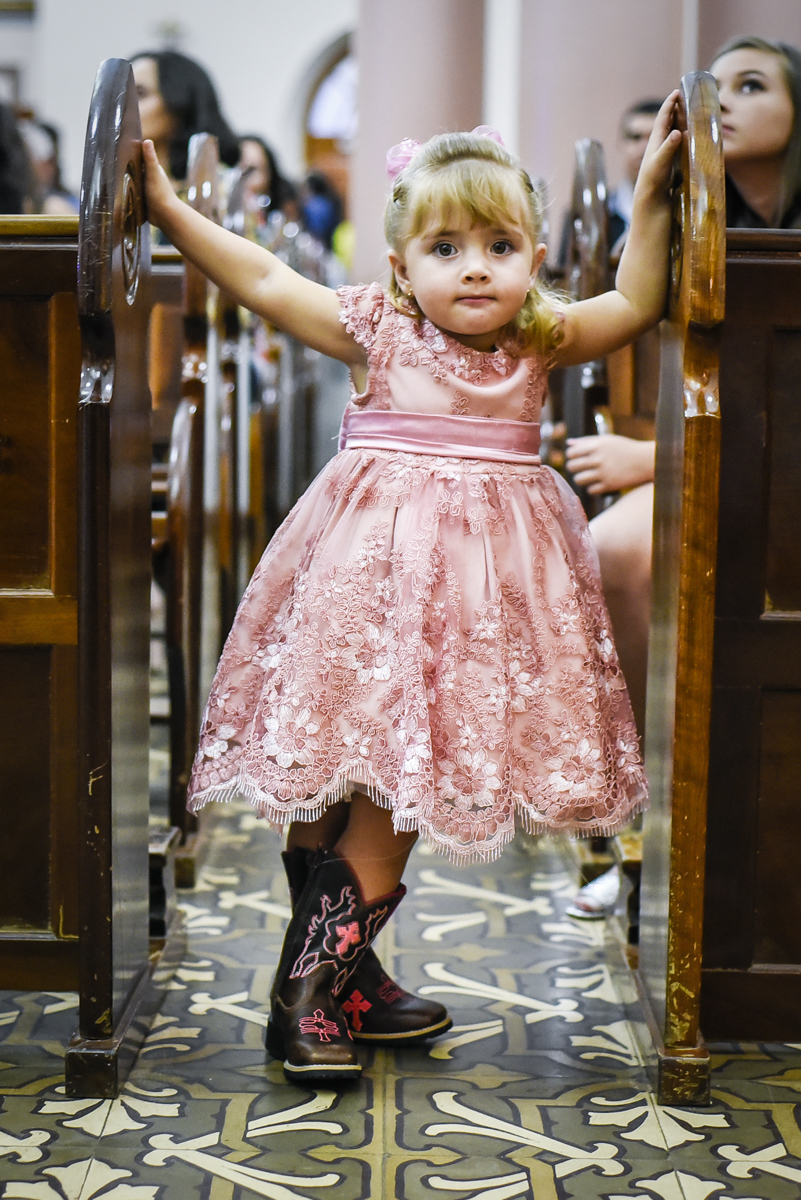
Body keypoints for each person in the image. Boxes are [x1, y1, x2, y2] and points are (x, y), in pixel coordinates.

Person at [142, 99, 680, 1084]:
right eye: (445, 246)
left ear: (533, 260)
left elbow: (639, 298)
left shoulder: (539, 334)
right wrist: (171, 209)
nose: (474, 266)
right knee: (367, 784)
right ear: (400, 265)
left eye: (500, 243)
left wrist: (650, 198)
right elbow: (262, 275)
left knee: (392, 783)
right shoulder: (377, 330)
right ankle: (309, 988)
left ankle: (346, 971)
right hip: (367, 594)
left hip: (474, 610)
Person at [565, 35, 801, 918]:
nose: (725, 101)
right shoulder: (696, 222)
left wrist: (649, 462)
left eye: (752, 85)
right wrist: (653, 190)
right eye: (714, 87)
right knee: (614, 546)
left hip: (773, 471)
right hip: (725, 463)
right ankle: (655, 812)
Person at [131, 49, 239, 183]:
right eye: (123, 95)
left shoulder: (219, 185)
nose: (125, 106)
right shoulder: (114, 184)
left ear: (181, 103)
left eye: (140, 93)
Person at [608, 99, 662, 249]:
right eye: (635, 137)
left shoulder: (690, 213)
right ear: (620, 144)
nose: (645, 149)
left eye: (655, 137)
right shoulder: (586, 215)